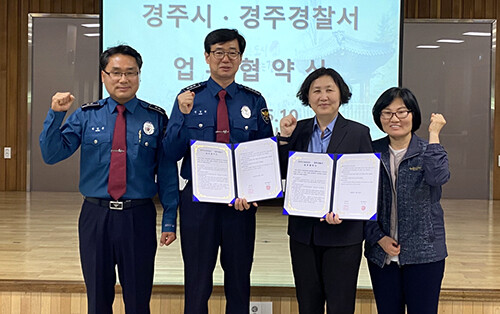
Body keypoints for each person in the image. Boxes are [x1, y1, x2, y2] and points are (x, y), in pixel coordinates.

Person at [39, 45, 178, 314]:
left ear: (139, 76)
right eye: (115, 72)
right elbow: (52, 154)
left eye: (130, 73)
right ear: (103, 76)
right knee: (98, 299)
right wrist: (56, 114)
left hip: (138, 216)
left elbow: (168, 173)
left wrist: (170, 219)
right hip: (95, 216)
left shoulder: (156, 117)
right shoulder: (86, 115)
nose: (123, 79)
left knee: (138, 300)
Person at [163, 28, 273, 314]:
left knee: (239, 279)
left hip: (240, 204)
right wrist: (181, 117)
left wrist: (256, 191)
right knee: (197, 279)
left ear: (240, 59)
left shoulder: (254, 101)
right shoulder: (188, 98)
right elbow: (171, 152)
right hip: (198, 201)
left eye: (232, 53)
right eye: (219, 52)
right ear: (207, 57)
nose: (225, 59)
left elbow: (264, 154)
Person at [278, 67, 372, 314]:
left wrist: (348, 210)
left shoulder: (359, 133)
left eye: (330, 90)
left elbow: (365, 183)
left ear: (341, 94)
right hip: (303, 234)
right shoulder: (297, 130)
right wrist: (284, 138)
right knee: (308, 304)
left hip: (343, 234)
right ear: (307, 97)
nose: (323, 96)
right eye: (316, 91)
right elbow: (281, 171)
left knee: (340, 305)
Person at [364, 87, 449, 314]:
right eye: (387, 112)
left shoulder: (429, 149)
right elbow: (361, 203)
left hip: (425, 253)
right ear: (379, 117)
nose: (394, 118)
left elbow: (438, 177)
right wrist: (378, 238)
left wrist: (434, 135)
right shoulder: (371, 151)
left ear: (414, 115)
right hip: (381, 254)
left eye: (402, 112)